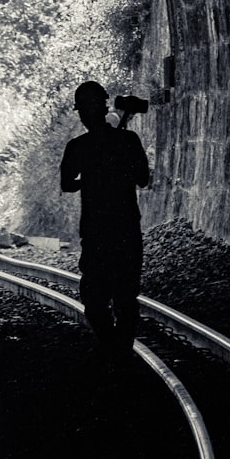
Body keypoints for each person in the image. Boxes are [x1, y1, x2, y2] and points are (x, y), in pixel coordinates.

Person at [60, 81, 150, 365]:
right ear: (106, 106)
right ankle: (119, 350)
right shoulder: (128, 141)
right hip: (125, 230)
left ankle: (113, 349)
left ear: (82, 114)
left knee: (95, 297)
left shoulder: (78, 148)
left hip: (97, 232)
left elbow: (67, 184)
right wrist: (117, 167)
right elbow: (143, 179)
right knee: (125, 296)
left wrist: (91, 176)